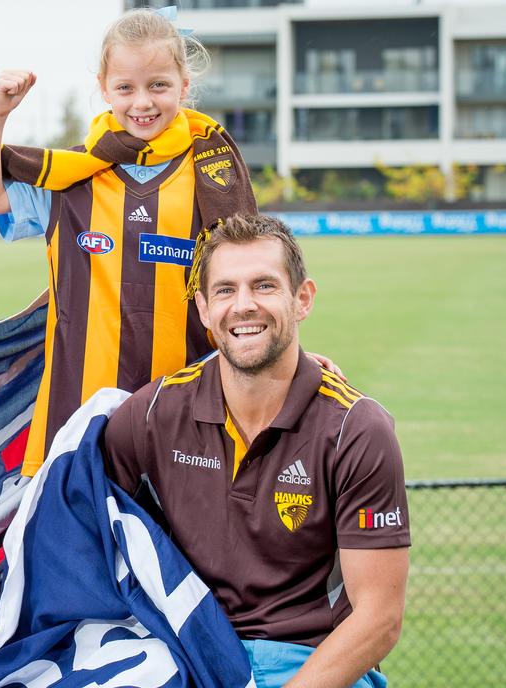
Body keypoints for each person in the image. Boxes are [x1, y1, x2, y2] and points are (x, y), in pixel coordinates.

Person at [0, 7, 339, 477]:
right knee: (80, 548)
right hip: (78, 416)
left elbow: (250, 278)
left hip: (189, 419)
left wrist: (289, 357)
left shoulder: (210, 176)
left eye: (158, 85)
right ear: (105, 88)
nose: (142, 101)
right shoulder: (73, 175)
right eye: (126, 88)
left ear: (184, 86)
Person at [102, 213, 409, 687]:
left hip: (309, 664)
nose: (243, 306)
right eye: (225, 290)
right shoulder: (154, 413)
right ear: (203, 309)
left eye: (264, 286)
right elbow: (71, 510)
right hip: (189, 657)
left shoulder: (356, 427)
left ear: (302, 299)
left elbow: (378, 620)